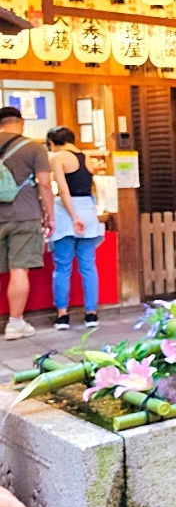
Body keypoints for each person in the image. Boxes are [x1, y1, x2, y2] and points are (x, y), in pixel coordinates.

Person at [0, 106, 53, 340]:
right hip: (25, 214)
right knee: (19, 269)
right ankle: (15, 324)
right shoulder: (34, 147)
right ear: (20, 123)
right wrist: (50, 215)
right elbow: (44, 184)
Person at [46, 126, 104, 329]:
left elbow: (63, 189)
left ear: (52, 143)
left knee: (62, 267)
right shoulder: (86, 156)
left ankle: (62, 315)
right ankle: (91, 314)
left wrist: (73, 216)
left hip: (66, 214)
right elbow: (91, 186)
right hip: (88, 212)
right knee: (88, 266)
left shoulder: (58, 157)